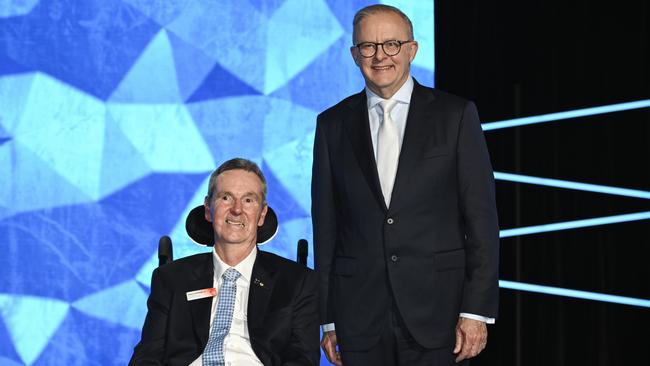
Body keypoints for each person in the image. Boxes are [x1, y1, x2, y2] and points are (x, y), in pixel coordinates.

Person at [311, 4, 499, 365]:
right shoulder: (331, 125)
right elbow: (327, 227)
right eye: (368, 46)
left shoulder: (456, 115)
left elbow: (482, 219)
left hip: (440, 314)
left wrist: (476, 310)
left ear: (412, 49)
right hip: (358, 316)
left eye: (392, 44)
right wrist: (329, 317)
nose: (380, 56)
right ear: (354, 55)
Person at [130, 158, 320, 366]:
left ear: (262, 215)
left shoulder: (297, 282)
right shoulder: (171, 279)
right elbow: (147, 357)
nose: (237, 209)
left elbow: (303, 360)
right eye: (226, 198)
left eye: (248, 200)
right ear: (208, 209)